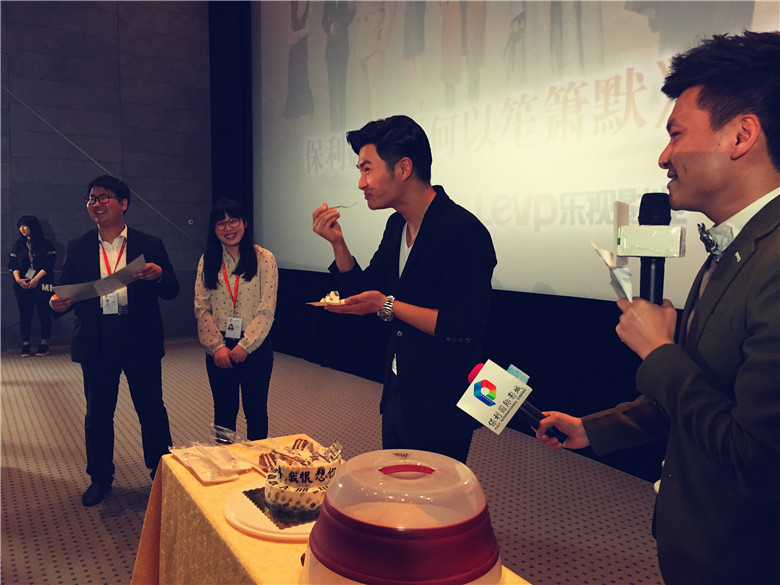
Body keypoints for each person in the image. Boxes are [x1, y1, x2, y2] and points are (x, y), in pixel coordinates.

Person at [536, 32, 780, 585]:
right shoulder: (733, 248)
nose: (663, 157)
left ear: (741, 135)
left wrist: (659, 351)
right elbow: (703, 391)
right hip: (696, 547)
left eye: (675, 134)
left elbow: (759, 460)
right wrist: (593, 429)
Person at [312, 115, 497, 463]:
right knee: (395, 486)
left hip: (442, 399)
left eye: (367, 169)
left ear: (404, 168)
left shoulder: (462, 230)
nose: (361, 183)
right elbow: (366, 290)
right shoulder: (397, 224)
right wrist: (338, 244)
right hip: (399, 389)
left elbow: (465, 325)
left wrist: (388, 306)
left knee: (434, 492)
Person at [50, 175, 179, 507]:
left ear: (124, 203)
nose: (96, 203)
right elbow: (66, 293)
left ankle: (161, 472)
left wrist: (159, 274)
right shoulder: (78, 246)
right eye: (91, 198)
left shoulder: (149, 243)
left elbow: (172, 289)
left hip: (140, 340)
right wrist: (57, 303)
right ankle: (100, 477)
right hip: (96, 342)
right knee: (98, 413)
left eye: (104, 197)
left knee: (151, 409)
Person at [194, 199, 277, 442]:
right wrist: (217, 347)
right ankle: (224, 463)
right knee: (223, 413)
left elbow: (267, 309)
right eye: (221, 223)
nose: (228, 228)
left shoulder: (264, 258)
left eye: (233, 221)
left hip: (255, 346)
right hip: (219, 346)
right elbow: (201, 307)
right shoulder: (207, 260)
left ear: (244, 223)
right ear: (214, 229)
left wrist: (245, 345)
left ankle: (257, 462)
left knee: (256, 411)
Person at [8, 215, 56, 357]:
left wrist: (36, 279)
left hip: (42, 283)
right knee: (25, 313)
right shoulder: (18, 245)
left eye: (25, 225)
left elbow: (49, 264)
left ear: (33, 226)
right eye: (20, 226)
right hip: (22, 284)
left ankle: (45, 343)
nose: (22, 229)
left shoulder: (46, 244)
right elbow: (13, 264)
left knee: (44, 312)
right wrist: (18, 280)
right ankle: (26, 343)